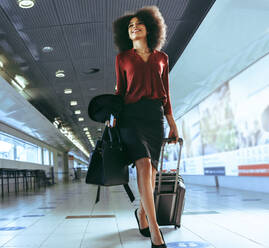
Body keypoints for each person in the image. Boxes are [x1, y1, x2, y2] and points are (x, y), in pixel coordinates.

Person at [109, 6, 179, 248]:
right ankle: (155, 231)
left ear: (150, 28)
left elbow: (166, 94)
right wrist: (112, 118)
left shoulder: (162, 58)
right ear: (125, 34)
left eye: (138, 24)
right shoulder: (123, 58)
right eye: (129, 26)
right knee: (143, 165)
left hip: (154, 117)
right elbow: (119, 91)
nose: (134, 27)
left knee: (153, 173)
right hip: (131, 116)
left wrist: (172, 122)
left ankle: (141, 213)